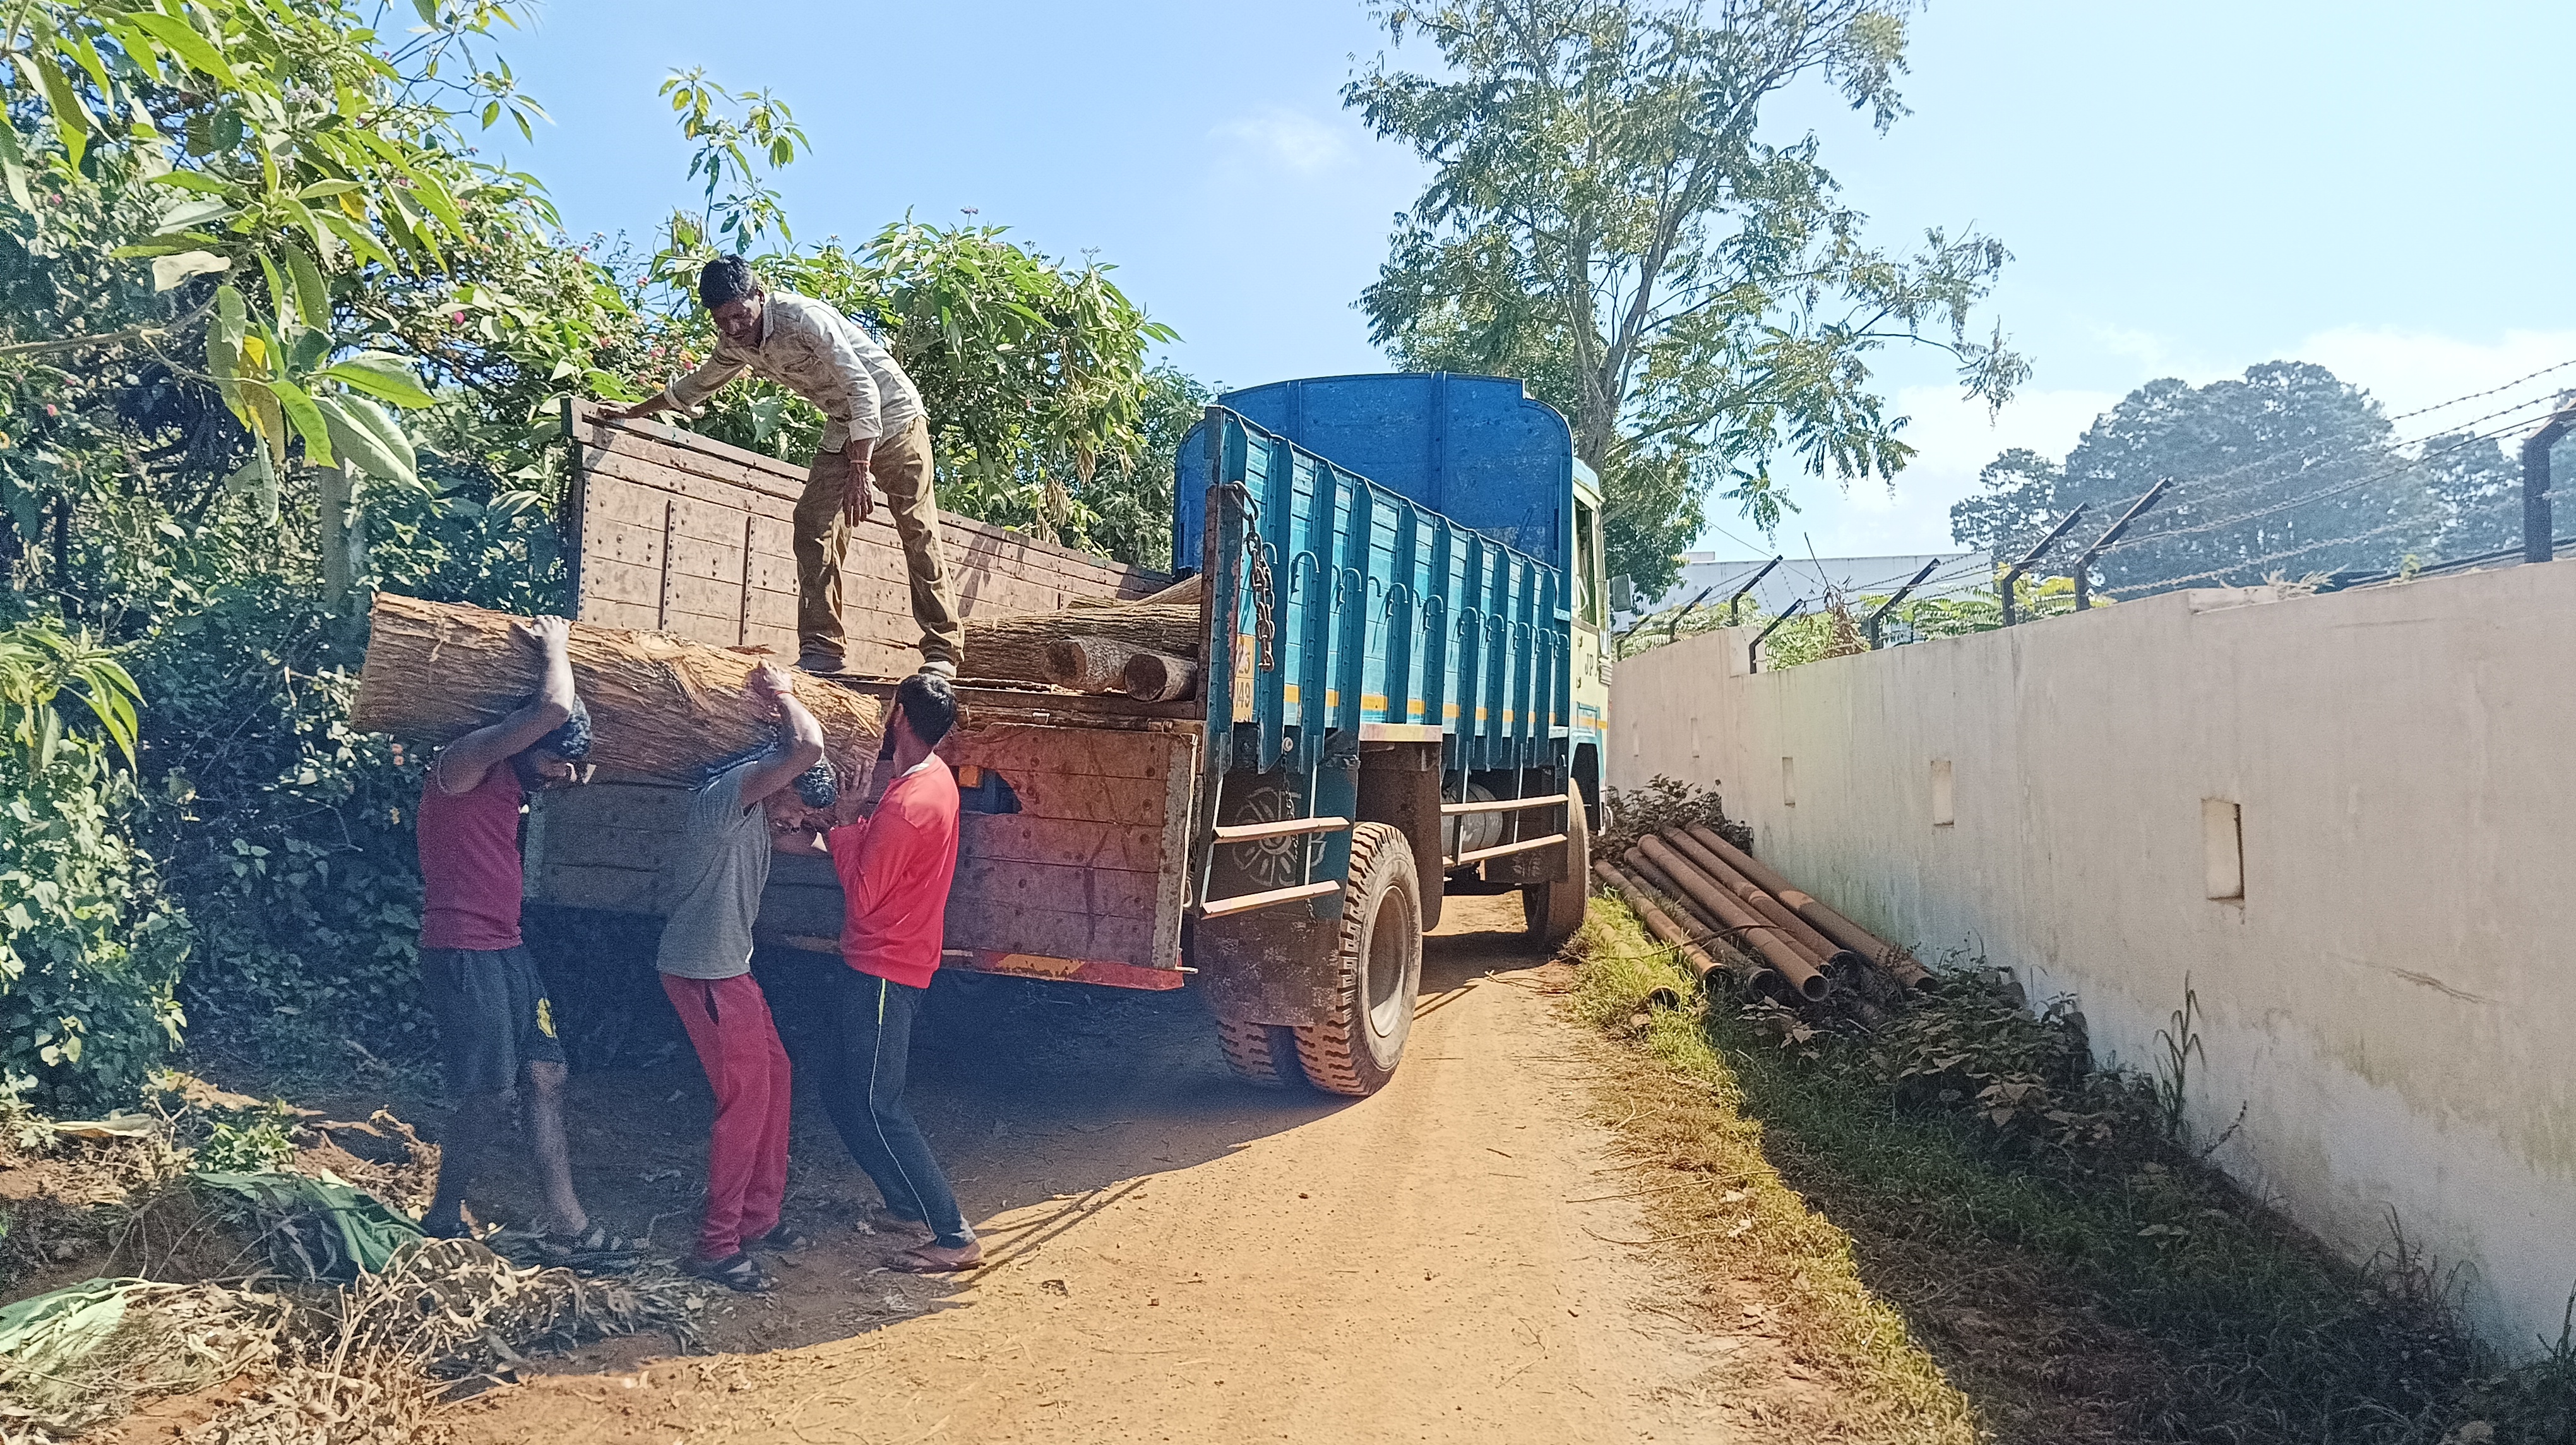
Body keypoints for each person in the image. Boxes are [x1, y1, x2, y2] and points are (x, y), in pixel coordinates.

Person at [597, 255, 962, 681]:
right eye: (722, 321)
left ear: (760, 295)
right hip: (843, 426)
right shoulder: (734, 342)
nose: (734, 327)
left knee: (916, 528)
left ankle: (942, 650)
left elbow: (863, 389)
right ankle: (823, 648)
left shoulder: (804, 319)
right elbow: (697, 385)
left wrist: (861, 471)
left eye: (740, 315)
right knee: (812, 523)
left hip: (895, 415)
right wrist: (634, 411)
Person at [414, 616, 631, 1264]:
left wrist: (565, 765)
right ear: (521, 739)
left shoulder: (515, 782)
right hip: (461, 950)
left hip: (506, 949)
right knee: (489, 1092)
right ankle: (444, 1211)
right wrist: (556, 646)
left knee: (546, 1073)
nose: (559, 775)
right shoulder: (462, 765)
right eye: (552, 760)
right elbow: (554, 705)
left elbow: (559, 739)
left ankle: (568, 1222)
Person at [777, 671, 978, 1271]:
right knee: (842, 1087)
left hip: (886, 966)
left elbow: (863, 892)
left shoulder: (911, 801)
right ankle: (905, 1202)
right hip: (882, 958)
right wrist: (835, 830)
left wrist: (835, 828)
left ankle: (954, 1232)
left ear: (899, 719)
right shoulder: (929, 779)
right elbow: (875, 853)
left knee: (878, 1100)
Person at [652, 661, 837, 1293]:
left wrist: (849, 818)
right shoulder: (730, 798)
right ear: (774, 781)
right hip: (704, 972)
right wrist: (783, 692)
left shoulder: (760, 815)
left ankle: (759, 1216)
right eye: (792, 803)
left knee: (776, 1078)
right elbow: (806, 746)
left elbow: (811, 844)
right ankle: (716, 1243)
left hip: (732, 971)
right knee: (744, 1105)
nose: (794, 820)